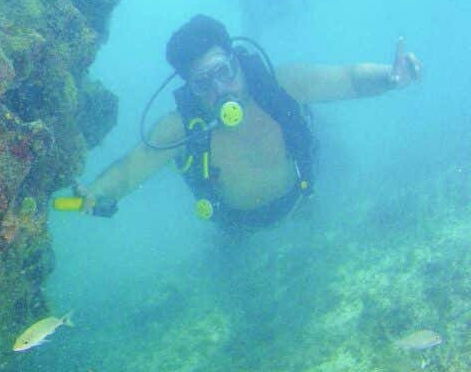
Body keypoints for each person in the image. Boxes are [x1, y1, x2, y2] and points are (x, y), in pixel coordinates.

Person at [74, 14, 421, 231]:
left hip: (301, 201)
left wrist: (388, 77)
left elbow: (348, 79)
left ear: (237, 61)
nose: (220, 90)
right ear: (191, 89)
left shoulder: (283, 85)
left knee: (317, 236)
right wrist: (97, 192)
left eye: (224, 72)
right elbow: (130, 170)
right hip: (236, 227)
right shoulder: (181, 128)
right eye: (203, 84)